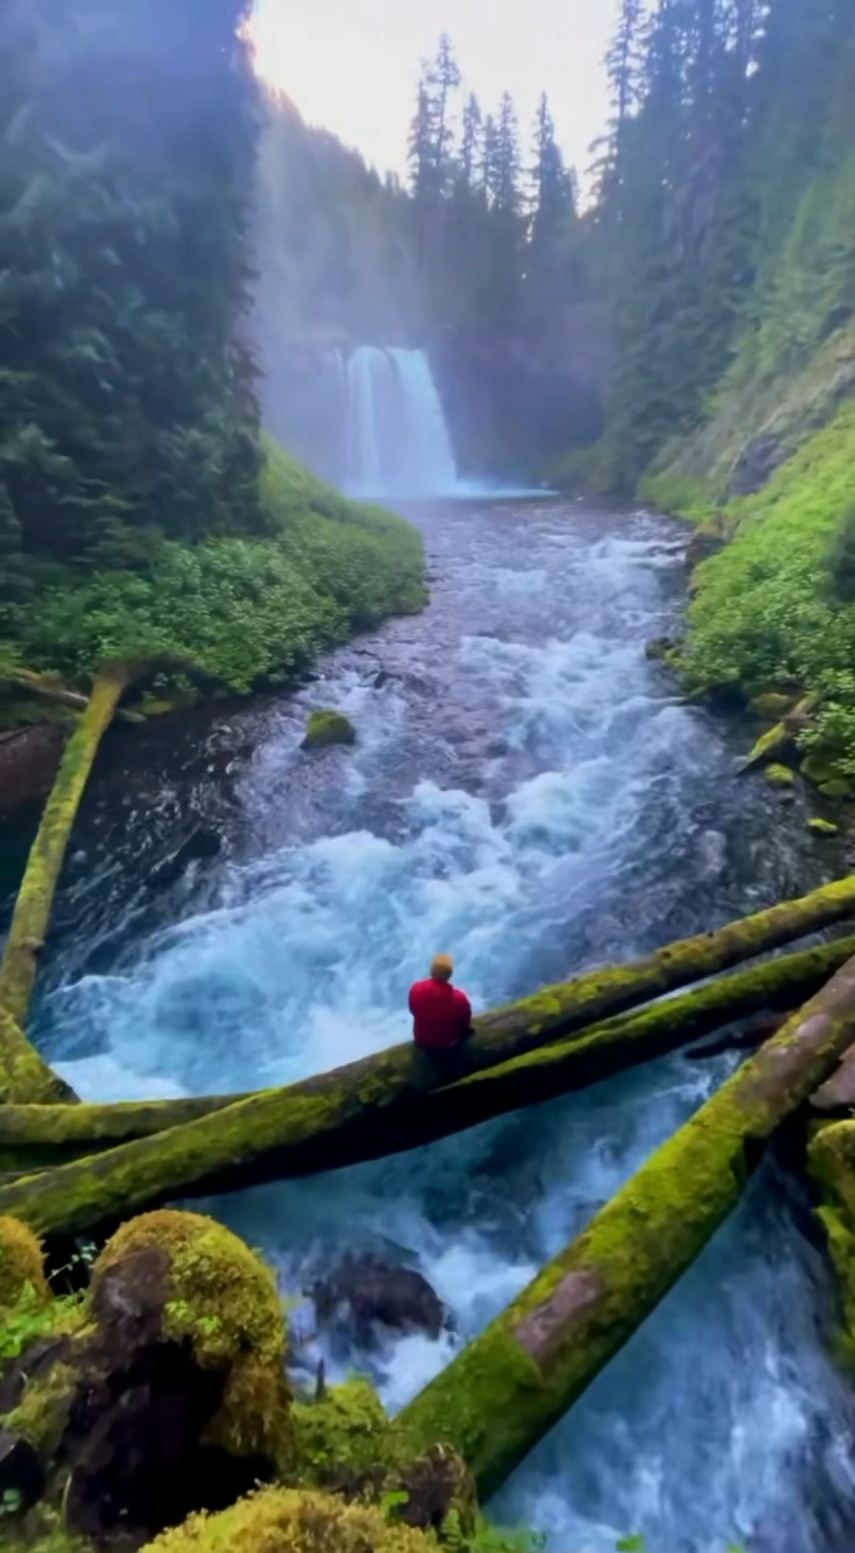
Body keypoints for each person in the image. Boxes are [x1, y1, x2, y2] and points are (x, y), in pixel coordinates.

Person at [408, 954, 472, 1051]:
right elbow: (464, 1023)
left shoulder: (416, 989)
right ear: (450, 974)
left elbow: (413, 1010)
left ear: (431, 970)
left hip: (422, 1040)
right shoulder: (459, 999)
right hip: (449, 1044)